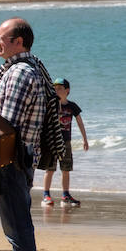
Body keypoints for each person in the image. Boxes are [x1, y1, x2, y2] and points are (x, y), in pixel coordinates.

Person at [0, 17, 48, 251]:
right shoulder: (27, 69)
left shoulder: (19, 72)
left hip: (10, 160)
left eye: (2, 37)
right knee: (18, 224)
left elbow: (5, 125)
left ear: (18, 42)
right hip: (19, 159)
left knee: (17, 226)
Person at [42, 77, 88, 207]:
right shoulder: (50, 105)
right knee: (50, 169)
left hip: (66, 142)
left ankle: (65, 195)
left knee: (66, 169)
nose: (57, 90)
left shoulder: (72, 106)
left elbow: (80, 122)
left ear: (67, 90)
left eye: (60, 88)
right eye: (55, 88)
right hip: (52, 141)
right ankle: (46, 195)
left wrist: (85, 139)